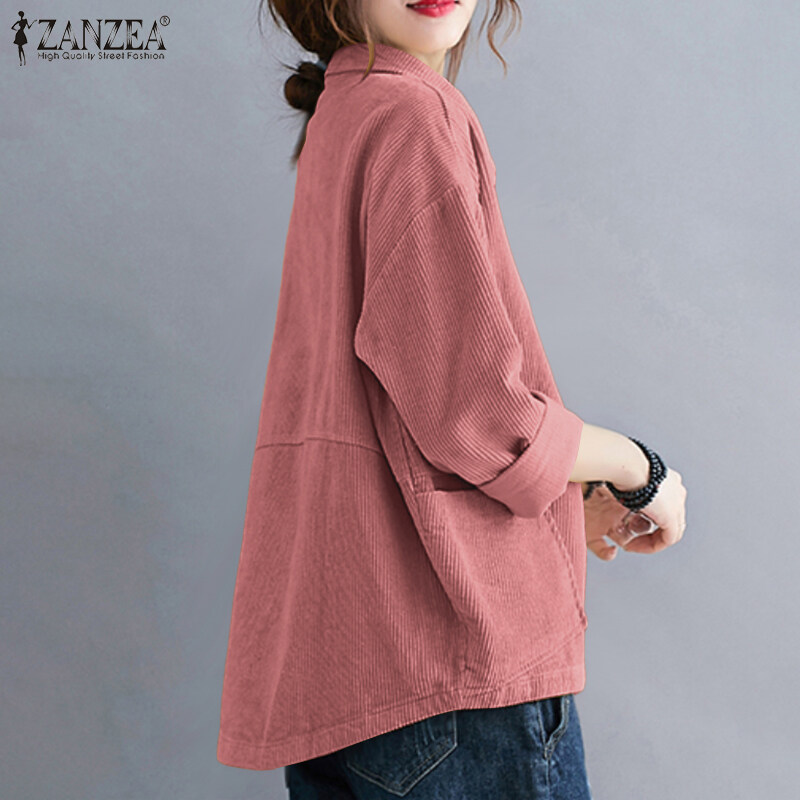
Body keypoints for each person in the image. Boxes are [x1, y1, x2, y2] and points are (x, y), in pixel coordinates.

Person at [216, 1, 688, 797]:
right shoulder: (411, 114)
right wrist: (640, 470)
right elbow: (476, 411)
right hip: (450, 682)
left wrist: (559, 495)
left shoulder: (345, 110)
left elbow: (381, 412)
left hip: (343, 675)